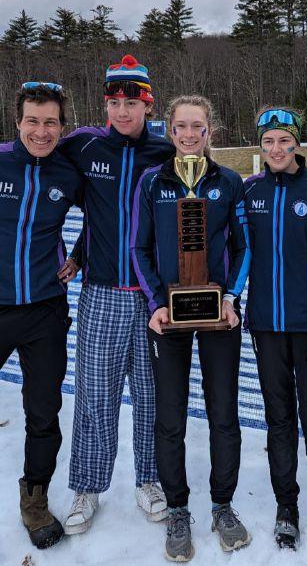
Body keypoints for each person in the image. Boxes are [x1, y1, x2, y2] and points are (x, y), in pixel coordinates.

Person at [131, 95, 251, 562]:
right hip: (169, 317)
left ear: (209, 131)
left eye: (196, 126)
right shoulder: (152, 181)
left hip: (219, 314)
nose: (188, 134)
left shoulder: (229, 181)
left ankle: (223, 504)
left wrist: (231, 297)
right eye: (180, 126)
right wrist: (156, 303)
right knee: (170, 415)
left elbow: (243, 247)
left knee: (223, 411)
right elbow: (139, 248)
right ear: (170, 130)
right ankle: (178, 509)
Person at [58, 55, 175, 534]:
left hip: (152, 297)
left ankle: (150, 479)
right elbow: (37, 164)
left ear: (148, 105)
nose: (122, 111)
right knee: (95, 394)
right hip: (102, 292)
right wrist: (77, 252)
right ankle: (87, 486)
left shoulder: (165, 151)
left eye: (132, 102)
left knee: (152, 395)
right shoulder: (85, 146)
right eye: (114, 102)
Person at [244, 107, 307, 551]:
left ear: (297, 143)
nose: (276, 148)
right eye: (268, 141)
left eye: (284, 140)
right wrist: (230, 297)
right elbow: (242, 253)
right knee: (279, 419)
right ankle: (287, 505)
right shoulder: (251, 191)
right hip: (265, 328)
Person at [0, 83, 83, 549]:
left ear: (62, 127)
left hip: (46, 309)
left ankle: (34, 499)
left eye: (51, 122)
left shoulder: (67, 173)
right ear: (18, 122)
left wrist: (81, 253)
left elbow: (107, 215)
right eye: (33, 120)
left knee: (43, 411)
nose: (41, 131)